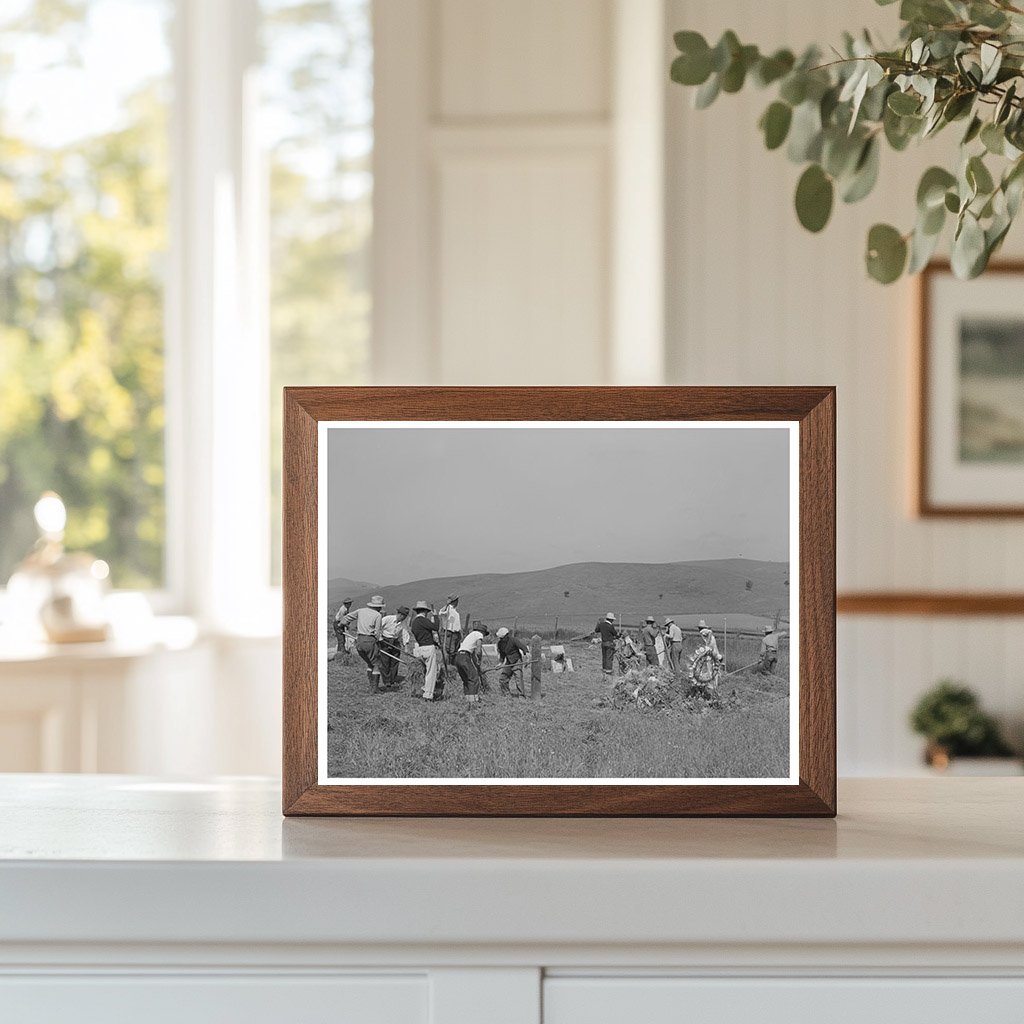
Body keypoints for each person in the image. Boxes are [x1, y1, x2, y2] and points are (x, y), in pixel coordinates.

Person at [338, 596, 385, 692]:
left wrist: (340, 625)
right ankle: (374, 688)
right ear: (378, 607)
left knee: (369, 663)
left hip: (359, 640)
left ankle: (371, 686)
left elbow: (347, 618)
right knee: (377, 664)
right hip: (369, 640)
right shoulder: (378, 615)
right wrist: (380, 641)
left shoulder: (360, 611)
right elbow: (377, 632)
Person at [410, 601, 442, 701]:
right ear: (424, 611)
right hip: (428, 648)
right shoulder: (422, 620)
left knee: (427, 670)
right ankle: (428, 695)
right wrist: (436, 616)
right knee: (431, 672)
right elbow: (436, 627)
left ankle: (425, 689)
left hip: (420, 648)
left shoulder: (414, 622)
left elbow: (424, 634)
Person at [455, 624, 490, 705]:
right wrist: (480, 659)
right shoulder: (479, 634)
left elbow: (473, 655)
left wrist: (477, 665)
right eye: (484, 634)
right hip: (464, 657)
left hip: (458, 657)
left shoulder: (470, 636)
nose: (483, 636)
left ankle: (467, 698)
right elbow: (478, 649)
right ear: (482, 632)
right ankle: (473, 701)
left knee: (466, 679)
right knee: (474, 678)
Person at [380, 605, 410, 689]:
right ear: (399, 614)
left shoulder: (403, 623)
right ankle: (387, 681)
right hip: (385, 641)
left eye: (405, 616)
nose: (404, 618)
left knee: (395, 661)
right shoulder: (387, 619)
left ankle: (392, 680)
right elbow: (378, 627)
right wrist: (380, 638)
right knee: (385, 661)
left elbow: (405, 633)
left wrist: (406, 646)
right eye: (403, 616)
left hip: (395, 642)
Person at [496, 626, 529, 696]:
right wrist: (500, 663)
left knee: (518, 679)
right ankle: (506, 694)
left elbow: (523, 647)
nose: (501, 639)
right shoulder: (500, 644)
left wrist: (527, 655)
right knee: (503, 678)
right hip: (508, 661)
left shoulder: (513, 640)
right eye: (500, 638)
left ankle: (521, 695)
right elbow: (502, 654)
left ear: (507, 635)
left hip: (517, 660)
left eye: (502, 638)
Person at [439, 594, 462, 665]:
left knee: (455, 650)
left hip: (456, 633)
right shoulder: (448, 609)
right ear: (454, 601)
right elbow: (441, 613)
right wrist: (447, 604)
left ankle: (453, 665)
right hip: (449, 633)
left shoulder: (455, 611)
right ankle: (448, 666)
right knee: (450, 651)